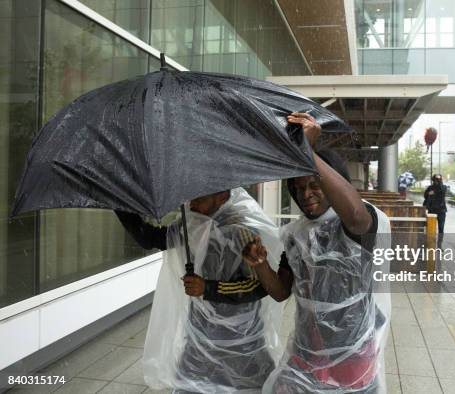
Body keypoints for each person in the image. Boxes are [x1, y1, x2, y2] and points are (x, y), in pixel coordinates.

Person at [242, 112, 392, 393]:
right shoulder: (295, 235)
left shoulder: (355, 225)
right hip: (307, 349)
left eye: (315, 185)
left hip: (352, 353)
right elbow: (281, 291)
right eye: (298, 188)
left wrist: (307, 152)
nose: (306, 194)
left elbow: (357, 215)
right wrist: (261, 265)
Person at [115, 188, 283, 393]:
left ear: (222, 197)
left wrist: (207, 288)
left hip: (240, 342)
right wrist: (118, 201)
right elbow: (150, 239)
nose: (191, 204)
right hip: (200, 338)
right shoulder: (192, 225)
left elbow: (258, 287)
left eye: (199, 199)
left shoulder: (241, 232)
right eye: (189, 198)